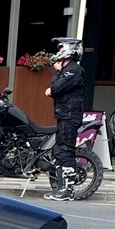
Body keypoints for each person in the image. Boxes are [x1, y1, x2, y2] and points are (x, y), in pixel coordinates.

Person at [43, 37, 85, 199]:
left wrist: (58, 72)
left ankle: (68, 190)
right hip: (64, 115)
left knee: (66, 150)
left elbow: (56, 88)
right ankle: (61, 188)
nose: (58, 52)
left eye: (61, 49)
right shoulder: (66, 70)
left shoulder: (74, 70)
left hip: (69, 116)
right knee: (60, 151)